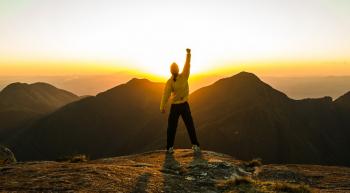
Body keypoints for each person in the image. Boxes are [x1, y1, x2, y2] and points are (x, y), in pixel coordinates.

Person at [160, 48, 200, 154]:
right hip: (178, 106)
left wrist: (188, 54)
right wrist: (162, 106)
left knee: (187, 125)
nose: (175, 69)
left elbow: (187, 64)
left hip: (181, 106)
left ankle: (194, 145)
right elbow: (166, 94)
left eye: (175, 68)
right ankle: (171, 147)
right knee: (174, 127)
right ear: (174, 70)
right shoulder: (171, 81)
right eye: (174, 68)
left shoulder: (183, 76)